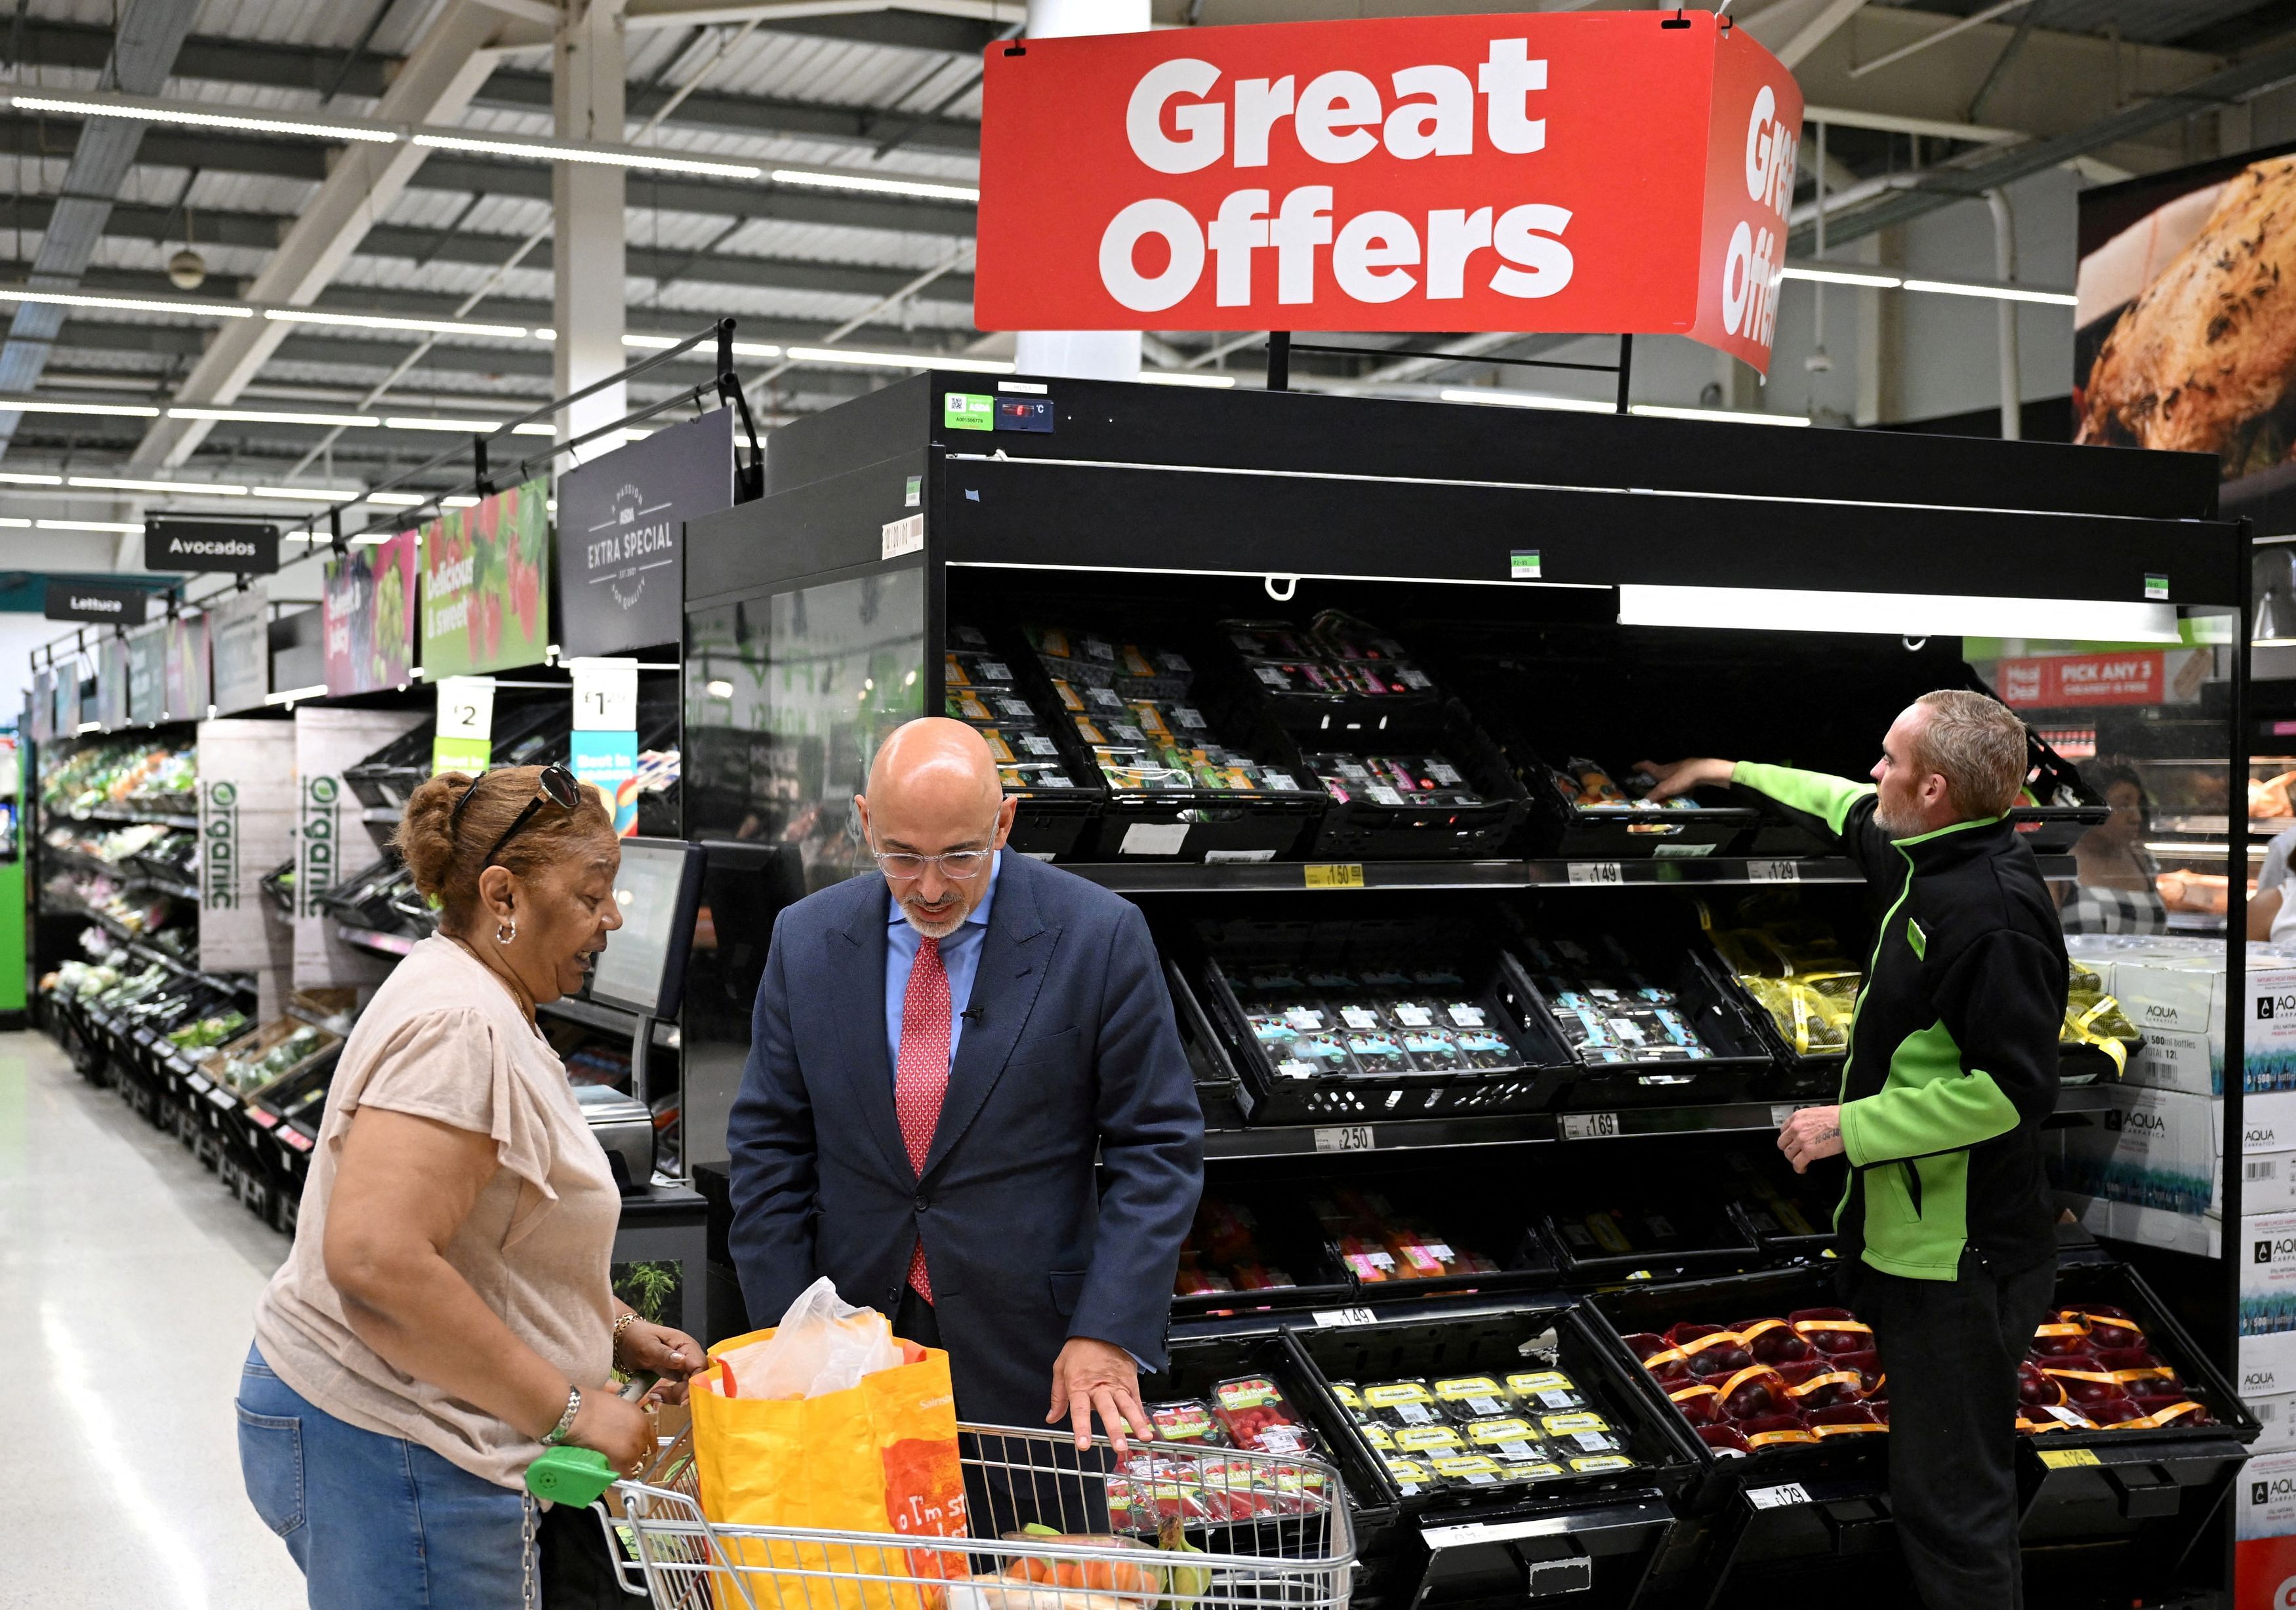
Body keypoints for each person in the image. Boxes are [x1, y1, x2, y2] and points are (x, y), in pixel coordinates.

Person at [237, 764, 704, 1609]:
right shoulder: (461, 1024)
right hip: (397, 1442)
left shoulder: (479, 991)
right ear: (502, 894)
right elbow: (376, 1259)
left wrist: (612, 1327)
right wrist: (570, 1410)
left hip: (404, 1430)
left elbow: (490, 1239)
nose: (613, 917)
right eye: (592, 893)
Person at [1642, 688, 2065, 1610]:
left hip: (1963, 1257)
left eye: (1890, 761)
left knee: (1956, 1507)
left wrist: (1851, 1125)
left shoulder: (1990, 911)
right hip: (1905, 1235)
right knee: (1933, 1488)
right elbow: (1840, 800)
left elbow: (2013, 1089)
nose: (1874, 772)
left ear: (1935, 788)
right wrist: (1727, 771)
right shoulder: (1928, 849)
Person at [726, 717, 1203, 1455]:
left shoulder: (1097, 936)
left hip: (1039, 1365)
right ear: (863, 822)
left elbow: (1159, 1147)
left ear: (1004, 822)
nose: (928, 887)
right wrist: (792, 1330)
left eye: (958, 856)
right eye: (900, 855)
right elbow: (767, 1147)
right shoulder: (806, 939)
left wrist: (1108, 1327)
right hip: (848, 1351)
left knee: (1037, 1565)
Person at [2058, 765, 2167, 935]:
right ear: (2088, 806)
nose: (2137, 817)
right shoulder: (2059, 863)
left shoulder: (2142, 860)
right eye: (2124, 805)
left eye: (2138, 805)